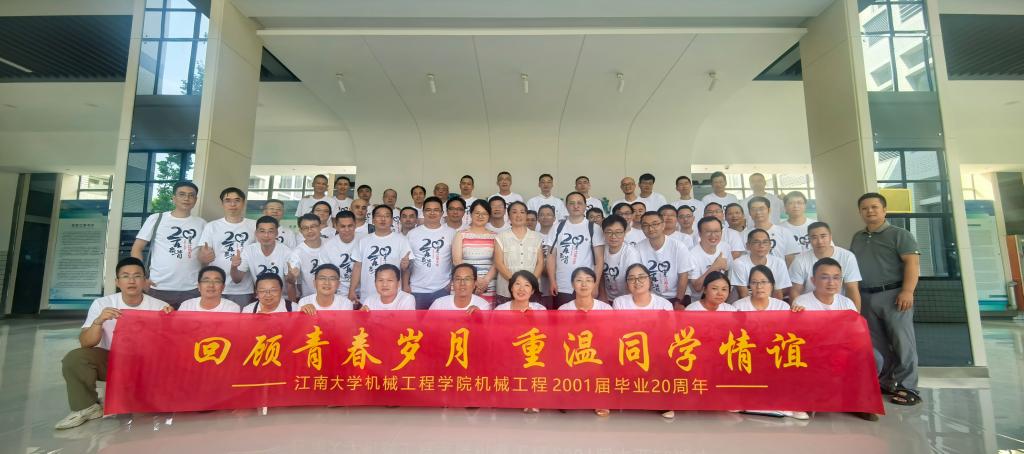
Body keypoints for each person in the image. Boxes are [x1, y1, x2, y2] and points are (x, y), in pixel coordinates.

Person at [56, 257, 173, 430]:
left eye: (137, 276)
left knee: (149, 406)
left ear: (144, 281)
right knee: (76, 358)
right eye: (125, 276)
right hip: (113, 361)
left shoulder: (160, 306)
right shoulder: (102, 304)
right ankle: (86, 407)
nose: (131, 281)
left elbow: (172, 346)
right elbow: (86, 342)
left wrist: (170, 321)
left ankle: (136, 395)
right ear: (117, 282)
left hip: (147, 364)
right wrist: (98, 321)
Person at [849, 192, 921, 406]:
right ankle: (887, 382)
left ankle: (908, 387)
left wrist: (908, 291)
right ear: (860, 212)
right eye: (864, 208)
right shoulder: (858, 237)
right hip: (866, 296)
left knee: (902, 342)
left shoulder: (900, 235)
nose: (869, 211)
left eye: (874, 207)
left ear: (884, 210)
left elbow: (912, 263)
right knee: (877, 344)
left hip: (894, 295)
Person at [131, 181, 206, 308]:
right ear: (174, 198)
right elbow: (136, 249)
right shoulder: (157, 219)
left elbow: (204, 256)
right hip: (158, 287)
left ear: (195, 200)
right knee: (157, 321)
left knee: (188, 321)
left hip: (192, 288)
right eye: (182, 194)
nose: (186, 198)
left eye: (191, 195)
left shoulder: (202, 223)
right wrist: (141, 278)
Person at [197, 187, 257, 308]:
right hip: (216, 287)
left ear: (243, 202)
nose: (232, 204)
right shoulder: (212, 226)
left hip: (243, 288)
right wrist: (203, 256)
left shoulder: (254, 225)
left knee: (240, 319)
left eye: (237, 200)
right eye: (228, 200)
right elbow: (202, 254)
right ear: (222, 203)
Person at [546, 192, 606, 307]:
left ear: (585, 206)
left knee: (586, 317)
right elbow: (551, 256)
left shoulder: (594, 228)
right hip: (562, 284)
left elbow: (599, 260)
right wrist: (552, 281)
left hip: (586, 285)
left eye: (579, 203)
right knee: (563, 316)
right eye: (572, 203)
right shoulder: (557, 227)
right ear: (566, 206)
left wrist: (596, 285)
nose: (576, 206)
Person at [788, 221, 862, 309]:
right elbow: (795, 290)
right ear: (809, 239)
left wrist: (856, 315)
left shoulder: (847, 256)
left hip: (838, 306)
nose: (820, 241)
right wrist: (797, 309)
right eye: (814, 237)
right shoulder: (800, 260)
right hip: (809, 306)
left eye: (823, 236)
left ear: (830, 237)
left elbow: (852, 289)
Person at [349, 205, 411, 304]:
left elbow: (406, 269)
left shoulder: (402, 240)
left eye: (387, 216)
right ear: (373, 220)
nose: (383, 219)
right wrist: (352, 289)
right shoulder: (363, 241)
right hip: (368, 294)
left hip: (393, 295)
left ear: (392, 220)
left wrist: (405, 281)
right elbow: (357, 266)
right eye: (379, 216)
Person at [405, 197, 456, 309]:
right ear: (423, 212)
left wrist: (450, 284)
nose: (432, 213)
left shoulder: (451, 233)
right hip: (417, 289)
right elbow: (407, 263)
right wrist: (405, 285)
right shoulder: (412, 234)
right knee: (417, 320)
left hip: (443, 289)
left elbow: (455, 261)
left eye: (436, 210)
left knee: (441, 320)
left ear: (442, 213)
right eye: (428, 210)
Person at [636, 211, 693, 305]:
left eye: (655, 224)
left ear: (663, 225)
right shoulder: (638, 248)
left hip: (678, 295)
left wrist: (679, 301)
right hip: (652, 297)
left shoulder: (678, 246)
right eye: (646, 225)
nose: (650, 228)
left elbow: (683, 275)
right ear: (642, 228)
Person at [494, 201, 545, 304]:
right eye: (514, 212)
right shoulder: (501, 237)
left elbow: (540, 263)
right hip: (506, 290)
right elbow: (499, 263)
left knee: (531, 314)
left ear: (526, 215)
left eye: (522, 212)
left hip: (531, 290)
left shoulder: (537, 237)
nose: (518, 215)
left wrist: (530, 283)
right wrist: (515, 282)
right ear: (509, 216)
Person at [232, 215, 293, 300]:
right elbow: (237, 279)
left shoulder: (286, 252)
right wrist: (233, 266)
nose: (266, 235)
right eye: (262, 231)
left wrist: (292, 306)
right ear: (256, 233)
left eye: (270, 231)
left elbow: (290, 283)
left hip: (282, 298)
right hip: (261, 298)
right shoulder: (249, 250)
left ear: (276, 233)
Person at [453, 199, 499, 304]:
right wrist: (475, 280)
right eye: (477, 213)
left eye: (484, 214)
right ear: (471, 214)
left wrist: (485, 281)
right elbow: (457, 261)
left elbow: (497, 262)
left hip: (488, 285)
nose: (480, 216)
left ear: (489, 216)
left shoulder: (495, 236)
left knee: (486, 311)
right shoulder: (460, 234)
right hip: (464, 283)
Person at [729, 229, 792, 300]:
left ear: (770, 245)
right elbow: (744, 294)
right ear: (748, 246)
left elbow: (778, 293)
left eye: (765, 242)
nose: (761, 246)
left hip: (770, 303)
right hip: (747, 303)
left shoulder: (779, 263)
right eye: (756, 242)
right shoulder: (739, 263)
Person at [687, 217, 733, 302]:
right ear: (700, 234)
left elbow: (728, 272)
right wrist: (714, 267)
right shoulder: (691, 254)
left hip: (721, 300)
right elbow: (697, 287)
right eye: (708, 232)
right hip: (699, 302)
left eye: (716, 231)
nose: (713, 235)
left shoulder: (725, 247)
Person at [744, 196, 799, 265]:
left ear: (769, 210)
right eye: (754, 209)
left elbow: (790, 259)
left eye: (761, 209)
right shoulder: (744, 235)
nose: (758, 212)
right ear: (749, 212)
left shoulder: (784, 232)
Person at [792, 258, 859, 312]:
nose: (831, 283)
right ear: (813, 280)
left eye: (836, 278)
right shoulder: (801, 303)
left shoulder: (847, 304)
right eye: (824, 277)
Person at [318, 211, 360, 298]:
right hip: (339, 292)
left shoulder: (365, 240)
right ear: (336, 226)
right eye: (343, 226)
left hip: (364, 290)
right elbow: (325, 272)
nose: (347, 230)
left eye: (350, 226)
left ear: (355, 225)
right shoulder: (327, 246)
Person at [600, 215, 642, 301]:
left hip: (627, 299)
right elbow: (600, 276)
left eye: (618, 232)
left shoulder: (631, 253)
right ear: (603, 233)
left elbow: (634, 281)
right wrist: (604, 298)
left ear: (625, 232)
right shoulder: (601, 249)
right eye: (609, 232)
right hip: (607, 298)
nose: (613, 236)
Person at [287, 213, 324, 299]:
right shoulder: (297, 253)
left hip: (334, 297)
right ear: (300, 231)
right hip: (309, 300)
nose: (310, 231)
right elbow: (291, 281)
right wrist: (292, 276)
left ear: (320, 227)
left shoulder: (330, 245)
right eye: (305, 228)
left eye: (313, 226)